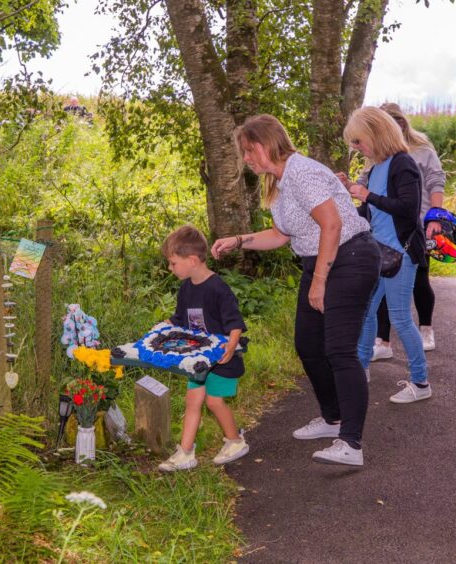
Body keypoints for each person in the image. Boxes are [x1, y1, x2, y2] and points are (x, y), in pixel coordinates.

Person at [212, 114, 379, 467]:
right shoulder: (280, 182)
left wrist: (320, 280)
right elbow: (281, 235)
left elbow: (332, 223)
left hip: (349, 257)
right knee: (308, 344)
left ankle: (351, 442)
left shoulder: (301, 172)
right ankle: (332, 418)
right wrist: (239, 240)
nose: (246, 158)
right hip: (320, 260)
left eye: (248, 150)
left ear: (265, 144)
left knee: (340, 349)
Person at [339, 107, 431, 405]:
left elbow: (408, 208)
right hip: (377, 253)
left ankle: (420, 382)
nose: (357, 148)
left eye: (358, 141)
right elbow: (367, 214)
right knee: (366, 313)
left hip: (401, 254)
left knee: (401, 318)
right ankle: (360, 370)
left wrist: (365, 195)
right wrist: (345, 195)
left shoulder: (403, 164)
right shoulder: (377, 169)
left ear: (376, 135)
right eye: (354, 144)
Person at [157, 225, 249, 472]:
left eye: (173, 263)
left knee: (214, 402)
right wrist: (162, 328)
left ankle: (235, 441)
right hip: (197, 360)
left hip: (221, 359)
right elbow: (180, 319)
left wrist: (231, 345)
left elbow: (234, 322)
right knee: (192, 401)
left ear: (193, 260)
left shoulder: (218, 288)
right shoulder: (186, 288)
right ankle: (185, 452)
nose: (170, 268)